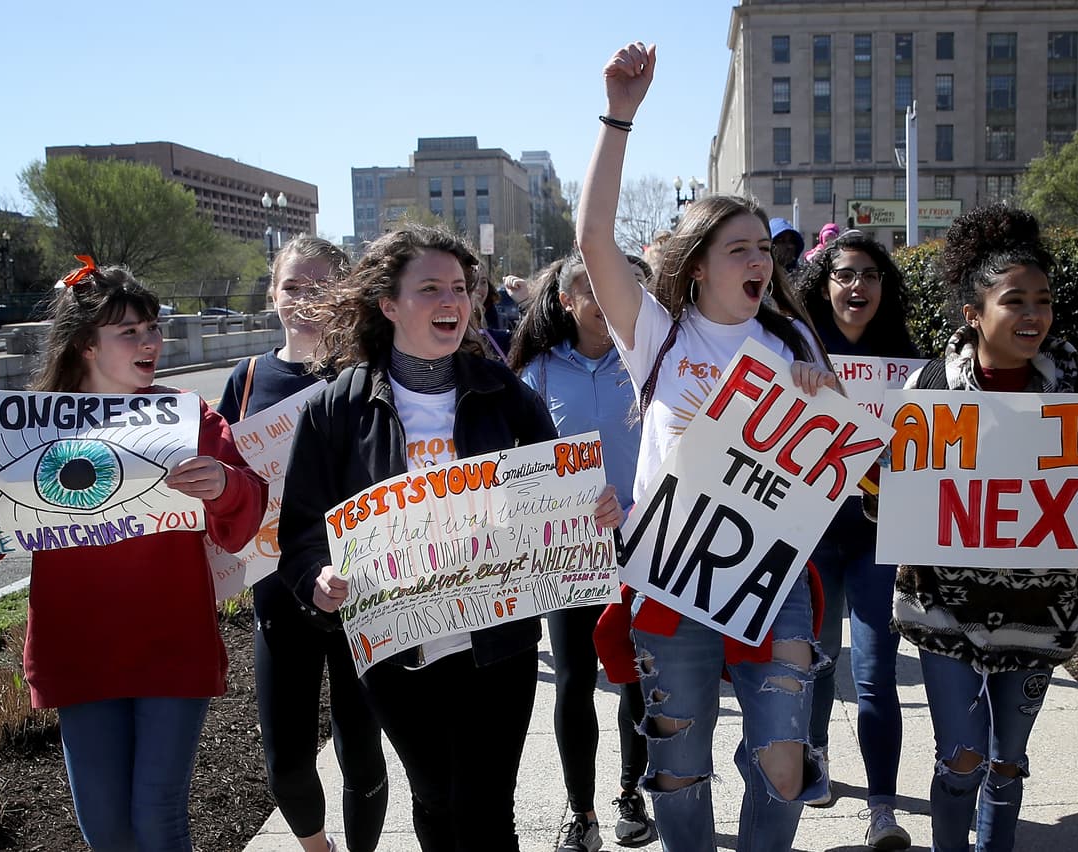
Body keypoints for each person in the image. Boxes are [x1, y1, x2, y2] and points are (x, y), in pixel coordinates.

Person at [275, 224, 625, 852]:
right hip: (396, 651)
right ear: (388, 305)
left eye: (460, 289)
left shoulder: (504, 394)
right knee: (435, 800)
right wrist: (317, 580)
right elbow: (301, 533)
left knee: (489, 807)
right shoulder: (334, 409)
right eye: (430, 288)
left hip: (498, 642)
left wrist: (590, 508)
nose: (451, 302)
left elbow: (561, 490)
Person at [577, 41, 840, 852]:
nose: (760, 260)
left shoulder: (795, 336)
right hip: (672, 574)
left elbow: (834, 462)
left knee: (786, 760)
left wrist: (825, 408)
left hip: (775, 573)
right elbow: (593, 241)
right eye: (740, 249)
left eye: (765, 247)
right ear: (696, 269)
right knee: (679, 765)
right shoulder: (655, 334)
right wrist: (620, 114)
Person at [0, 260, 267, 852]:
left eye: (153, 327)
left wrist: (225, 485)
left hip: (172, 646)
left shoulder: (187, 418)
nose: (151, 342)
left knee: (159, 821)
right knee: (108, 831)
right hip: (78, 651)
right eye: (130, 332)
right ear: (87, 344)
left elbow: (246, 515)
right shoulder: (24, 428)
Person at [889, 204, 1078, 852]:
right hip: (945, 612)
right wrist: (882, 481)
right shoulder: (929, 390)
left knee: (1006, 763)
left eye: (1043, 301)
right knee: (961, 759)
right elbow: (890, 509)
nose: (1032, 316)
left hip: (1038, 613)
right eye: (1013, 300)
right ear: (973, 313)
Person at [217, 236, 388, 852]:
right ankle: (318, 848)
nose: (305, 300)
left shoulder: (366, 376)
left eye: (321, 286)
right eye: (293, 286)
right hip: (277, 592)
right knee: (286, 756)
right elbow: (220, 473)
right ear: (272, 294)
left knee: (360, 746)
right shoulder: (249, 378)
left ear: (343, 294)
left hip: (358, 590)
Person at [507, 253, 656, 852]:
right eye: (591, 290)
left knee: (637, 678)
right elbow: (512, 465)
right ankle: (583, 811)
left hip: (645, 542)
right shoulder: (535, 375)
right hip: (567, 551)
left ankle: (632, 794)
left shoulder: (651, 362)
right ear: (567, 301)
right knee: (573, 680)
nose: (608, 298)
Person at [793, 231, 918, 849]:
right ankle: (813, 757)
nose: (857, 286)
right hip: (811, 535)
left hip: (876, 534)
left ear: (883, 288)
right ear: (825, 284)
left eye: (870, 275)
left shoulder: (912, 367)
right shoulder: (795, 350)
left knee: (876, 673)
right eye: (845, 274)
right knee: (815, 663)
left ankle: (882, 808)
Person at [469, 264, 511, 363]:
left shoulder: (497, 323)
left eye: (483, 282)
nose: (478, 288)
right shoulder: (452, 328)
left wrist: (524, 302)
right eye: (472, 281)